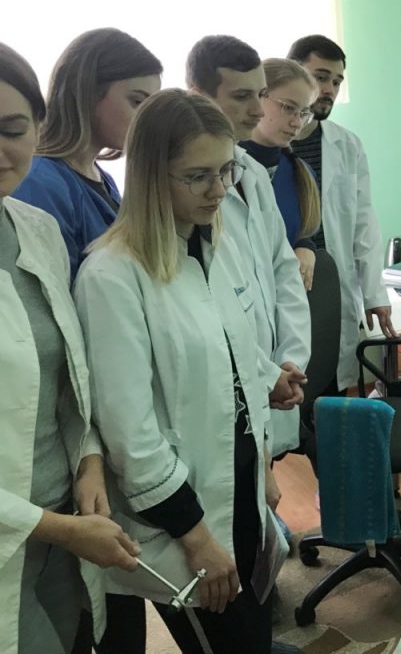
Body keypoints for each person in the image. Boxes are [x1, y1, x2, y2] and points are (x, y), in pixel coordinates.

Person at [74, 89, 294, 654]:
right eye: (197, 176)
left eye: (225, 171)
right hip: (183, 519)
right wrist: (197, 539)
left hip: (239, 488)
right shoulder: (112, 276)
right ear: (151, 176)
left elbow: (229, 349)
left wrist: (267, 380)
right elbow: (131, 438)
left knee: (255, 631)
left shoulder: (212, 245)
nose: (219, 190)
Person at [1, 42, 140, 654]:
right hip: (34, 527)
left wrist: (88, 460)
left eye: (12, 130)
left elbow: (69, 374)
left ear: (38, 126)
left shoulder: (36, 229)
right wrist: (58, 528)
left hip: (63, 518)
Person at [187, 36, 309, 459]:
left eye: (260, 94)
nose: (257, 110)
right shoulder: (183, 188)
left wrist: (291, 359)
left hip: (276, 372)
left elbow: (283, 269)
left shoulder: (253, 173)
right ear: (198, 96)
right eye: (241, 97)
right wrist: (265, 373)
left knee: (263, 475)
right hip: (227, 386)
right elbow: (208, 306)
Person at [287, 34, 395, 390]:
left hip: (331, 285)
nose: (329, 90)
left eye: (336, 81)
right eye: (320, 77)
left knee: (329, 383)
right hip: (284, 281)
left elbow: (364, 223)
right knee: (290, 383)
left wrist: (374, 294)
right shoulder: (268, 145)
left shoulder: (347, 145)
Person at [12, 28, 162, 278]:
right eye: (137, 102)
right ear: (88, 93)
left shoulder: (104, 179)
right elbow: (50, 291)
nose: (146, 119)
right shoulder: (39, 182)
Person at [241, 57, 321, 291]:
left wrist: (306, 246)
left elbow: (297, 233)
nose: (297, 123)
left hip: (286, 299)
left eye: (303, 112)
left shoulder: (301, 173)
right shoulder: (223, 169)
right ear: (258, 97)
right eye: (288, 107)